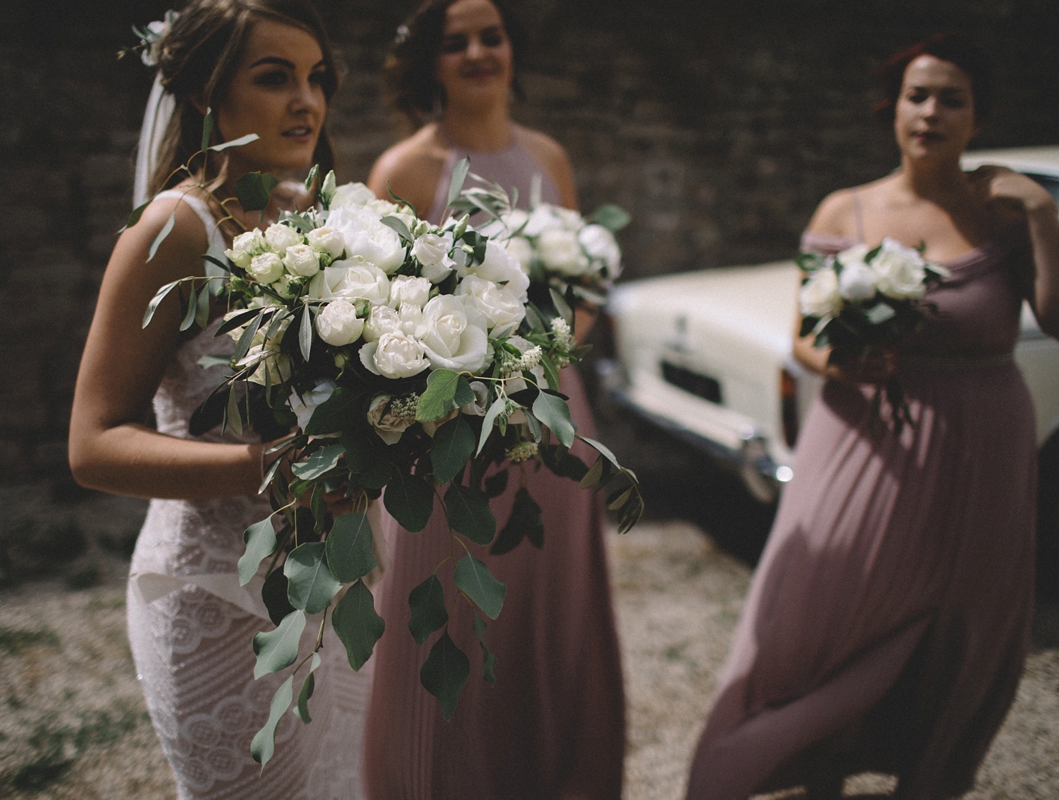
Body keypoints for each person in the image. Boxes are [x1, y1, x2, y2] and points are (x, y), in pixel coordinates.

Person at [685, 33, 1059, 800]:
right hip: (865, 441)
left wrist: (1045, 213)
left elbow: (1054, 321)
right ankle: (806, 768)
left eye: (951, 98)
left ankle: (931, 777)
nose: (929, 112)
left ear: (977, 116)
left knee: (965, 625)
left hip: (984, 447)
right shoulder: (845, 208)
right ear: (892, 109)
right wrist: (843, 361)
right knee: (829, 613)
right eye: (917, 95)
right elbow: (802, 337)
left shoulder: (1003, 214)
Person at [67, 2, 372, 797]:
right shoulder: (175, 227)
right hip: (211, 596)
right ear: (204, 93)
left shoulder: (308, 219)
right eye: (275, 78)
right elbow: (93, 442)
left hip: (326, 588)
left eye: (317, 78)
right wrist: (267, 467)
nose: (307, 101)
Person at [361, 1, 626, 798]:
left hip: (552, 416)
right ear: (429, 64)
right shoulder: (405, 171)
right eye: (456, 42)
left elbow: (579, 295)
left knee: (551, 613)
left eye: (492, 35)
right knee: (450, 602)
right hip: (453, 433)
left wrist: (549, 347)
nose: (478, 51)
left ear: (512, 49)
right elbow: (386, 319)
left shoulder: (549, 156)